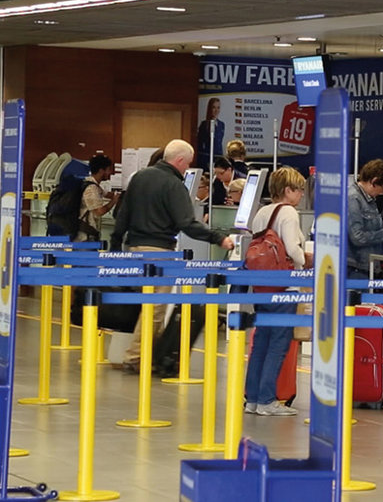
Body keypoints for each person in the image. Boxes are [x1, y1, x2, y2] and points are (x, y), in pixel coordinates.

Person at [110, 140, 235, 371]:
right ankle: (135, 357)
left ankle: (148, 354)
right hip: (158, 253)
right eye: (187, 164)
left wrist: (116, 245)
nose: (187, 169)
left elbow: (122, 215)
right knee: (155, 309)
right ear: (179, 160)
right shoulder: (174, 185)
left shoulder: (139, 177)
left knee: (144, 305)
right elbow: (186, 223)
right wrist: (218, 238)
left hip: (134, 249)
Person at [244, 167, 312, 416]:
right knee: (279, 344)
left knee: (261, 342)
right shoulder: (289, 213)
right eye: (299, 189)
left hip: (262, 284)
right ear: (287, 190)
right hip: (285, 285)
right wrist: (306, 263)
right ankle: (266, 400)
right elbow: (292, 250)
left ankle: (252, 399)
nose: (301, 194)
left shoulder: (262, 212)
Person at [347, 159, 383, 279]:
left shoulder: (368, 199)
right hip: (356, 269)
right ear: (373, 182)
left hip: (368, 266)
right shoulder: (353, 198)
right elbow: (358, 237)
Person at [75, 154, 119, 242]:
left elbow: (106, 194)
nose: (110, 173)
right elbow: (99, 211)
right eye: (108, 170)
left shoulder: (91, 184)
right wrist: (114, 201)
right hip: (84, 236)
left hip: (87, 233)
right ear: (101, 171)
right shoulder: (91, 189)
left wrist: (119, 194)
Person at [197, 97, 225, 172]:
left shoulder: (221, 124)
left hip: (218, 158)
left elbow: (219, 142)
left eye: (218, 107)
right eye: (214, 107)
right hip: (207, 159)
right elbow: (200, 143)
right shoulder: (204, 125)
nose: (216, 110)